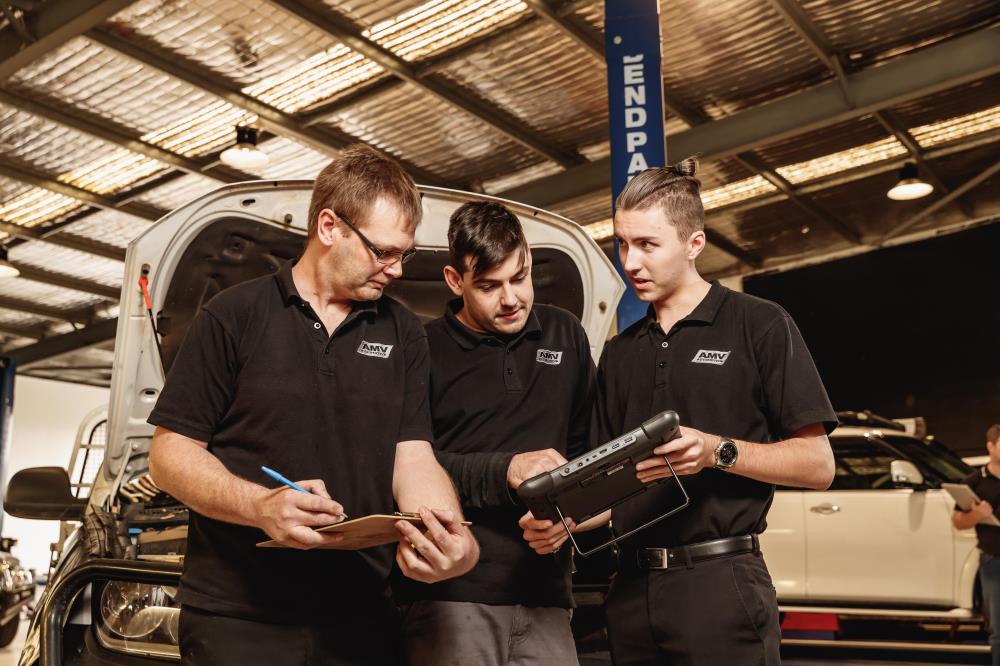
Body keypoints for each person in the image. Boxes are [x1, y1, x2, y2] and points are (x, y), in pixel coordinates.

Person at [147, 145, 479, 666]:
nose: (395, 270)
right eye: (384, 252)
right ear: (330, 227)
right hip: (237, 618)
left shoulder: (404, 332)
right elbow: (169, 455)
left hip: (361, 619)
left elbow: (412, 454)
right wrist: (259, 506)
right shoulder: (234, 316)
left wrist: (445, 530)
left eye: (404, 255)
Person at [522, 157, 837, 665]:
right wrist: (565, 519)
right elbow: (615, 482)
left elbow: (818, 465)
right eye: (622, 243)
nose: (630, 262)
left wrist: (717, 451)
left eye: (648, 245)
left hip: (721, 585)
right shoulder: (622, 353)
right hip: (630, 591)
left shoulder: (759, 325)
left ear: (694, 244)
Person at [395, 201, 595, 665]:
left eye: (519, 278)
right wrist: (506, 468)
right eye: (488, 286)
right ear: (453, 280)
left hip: (547, 595)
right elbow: (403, 465)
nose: (511, 299)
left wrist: (572, 517)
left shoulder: (566, 335)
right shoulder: (422, 349)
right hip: (450, 598)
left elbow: (589, 458)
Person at [953, 423, 1000, 665]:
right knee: (999, 628)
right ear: (990, 446)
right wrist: (978, 515)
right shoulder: (974, 481)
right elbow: (958, 522)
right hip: (994, 561)